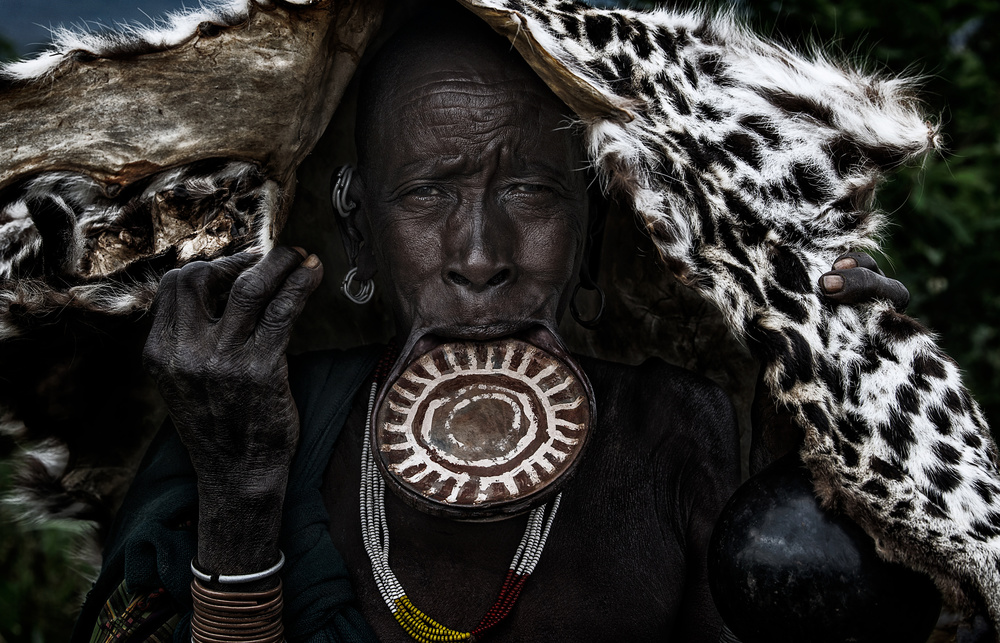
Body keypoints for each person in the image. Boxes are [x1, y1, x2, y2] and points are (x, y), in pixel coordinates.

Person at [74, 10, 909, 643]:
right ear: (361, 230)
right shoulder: (246, 425)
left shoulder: (680, 433)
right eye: (428, 192)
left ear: (592, 237)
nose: (479, 256)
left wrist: (834, 439)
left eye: (532, 192)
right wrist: (243, 489)